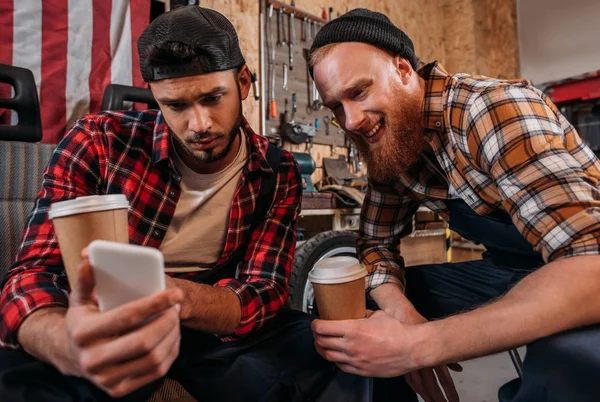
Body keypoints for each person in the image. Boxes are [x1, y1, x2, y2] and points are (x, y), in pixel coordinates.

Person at [0, 6, 370, 402]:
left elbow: (265, 291)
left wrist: (173, 296)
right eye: (176, 105)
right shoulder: (98, 143)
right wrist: (66, 343)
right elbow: (31, 276)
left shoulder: (277, 171)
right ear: (156, 98)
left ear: (243, 81)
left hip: (211, 327)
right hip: (107, 321)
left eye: (213, 98)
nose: (199, 125)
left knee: (345, 359)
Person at [308, 8, 600, 402]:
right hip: (510, 269)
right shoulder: (392, 144)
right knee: (357, 315)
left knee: (568, 362)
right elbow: (375, 244)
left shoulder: (489, 109)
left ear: (404, 70)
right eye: (336, 108)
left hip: (579, 270)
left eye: (359, 92)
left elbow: (591, 267)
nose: (351, 120)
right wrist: (400, 313)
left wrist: (417, 344)